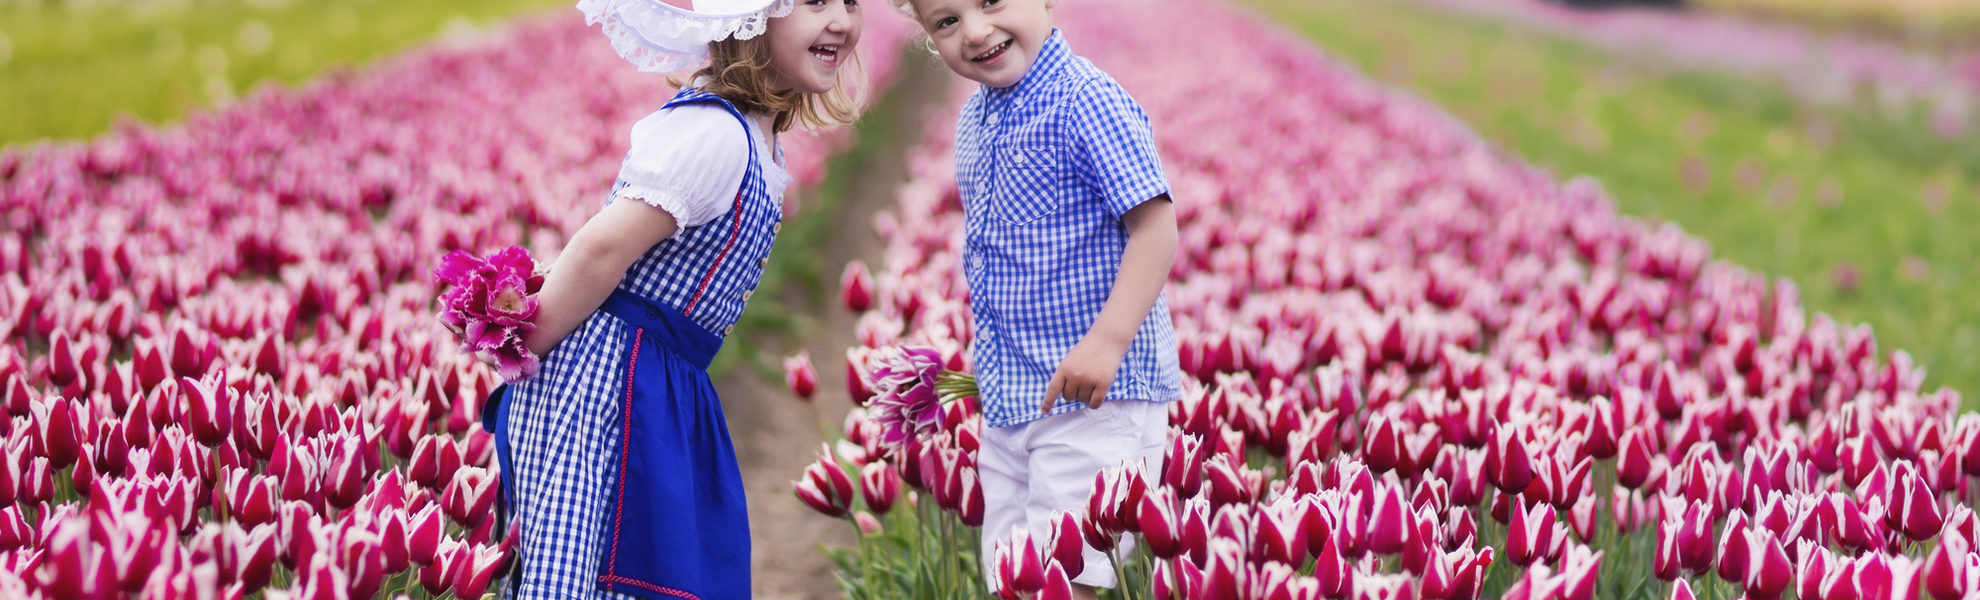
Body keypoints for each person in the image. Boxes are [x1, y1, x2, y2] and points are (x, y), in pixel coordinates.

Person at [482, 0, 863, 598]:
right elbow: (601, 249)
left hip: (658, 377)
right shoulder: (711, 134)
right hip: (603, 384)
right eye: (815, 0)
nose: (842, 18)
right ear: (750, 16)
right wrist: (524, 342)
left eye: (852, 0)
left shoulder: (753, 133)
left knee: (646, 555)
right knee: (586, 554)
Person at [889, 0, 1181, 596]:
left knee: (1063, 578)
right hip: (1012, 399)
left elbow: (1155, 227)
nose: (974, 31)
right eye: (946, 21)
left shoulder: (1088, 101)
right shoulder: (975, 119)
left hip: (1096, 395)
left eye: (991, 1)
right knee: (1013, 576)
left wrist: (1108, 341)